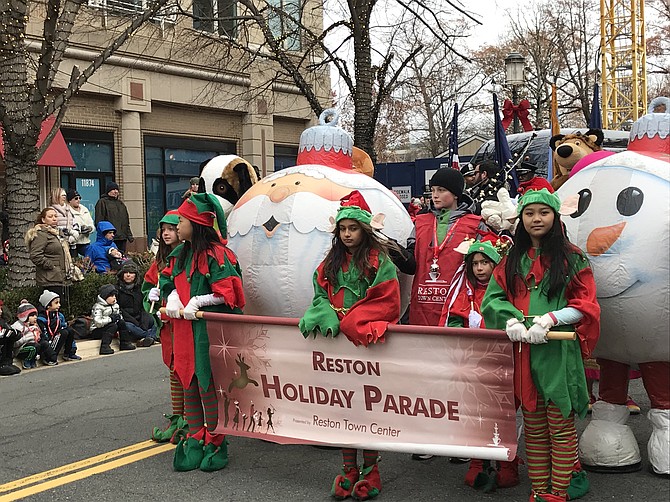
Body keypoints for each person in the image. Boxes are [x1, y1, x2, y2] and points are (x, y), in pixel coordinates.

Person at [481, 189, 600, 502]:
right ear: (521, 218)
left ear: (555, 216)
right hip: (524, 351)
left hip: (557, 352)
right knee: (533, 428)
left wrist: (551, 318)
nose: (536, 219)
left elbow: (585, 303)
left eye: (543, 212)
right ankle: (539, 492)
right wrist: (511, 320)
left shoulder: (572, 257)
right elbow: (492, 298)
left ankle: (557, 493)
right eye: (530, 213)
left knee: (560, 427)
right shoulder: (510, 260)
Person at [300, 190, 401, 501]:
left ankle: (371, 470)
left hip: (365, 344)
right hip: (337, 349)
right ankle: (348, 468)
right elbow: (319, 292)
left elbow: (387, 299)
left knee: (367, 408)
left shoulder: (377, 261)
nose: (347, 235)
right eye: (342, 229)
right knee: (342, 406)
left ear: (364, 230)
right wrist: (324, 310)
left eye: (353, 229)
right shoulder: (329, 262)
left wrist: (352, 319)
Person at [161, 193, 245, 472]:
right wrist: (173, 296)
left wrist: (199, 301)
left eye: (182, 220)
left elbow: (228, 292)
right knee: (189, 383)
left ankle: (216, 442)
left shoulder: (217, 255)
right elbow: (169, 280)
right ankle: (195, 439)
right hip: (184, 330)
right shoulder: (182, 254)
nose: (177, 224)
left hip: (207, 332)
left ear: (195, 224)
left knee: (208, 385)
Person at [144, 210, 188, 443]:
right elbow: (147, 288)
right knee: (172, 369)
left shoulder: (189, 256)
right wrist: (150, 296)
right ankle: (177, 417)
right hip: (167, 324)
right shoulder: (159, 262)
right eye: (163, 230)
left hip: (186, 322)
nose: (166, 234)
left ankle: (191, 419)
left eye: (171, 229)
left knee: (186, 369)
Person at [26, 208, 78, 315]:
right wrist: (51, 265)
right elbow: (35, 255)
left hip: (60, 276)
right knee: (51, 308)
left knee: (61, 306)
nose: (54, 218)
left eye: (55, 216)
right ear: (43, 220)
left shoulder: (57, 233)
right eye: (50, 216)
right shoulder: (41, 234)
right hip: (50, 278)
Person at [116, 260, 156, 346]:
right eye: (125, 272)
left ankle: (146, 337)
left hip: (141, 319)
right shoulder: (116, 290)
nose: (128, 275)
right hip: (128, 320)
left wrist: (143, 324)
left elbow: (144, 308)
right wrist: (135, 322)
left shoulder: (140, 289)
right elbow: (119, 310)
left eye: (131, 272)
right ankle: (149, 336)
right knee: (127, 326)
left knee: (156, 321)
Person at [90, 284, 138, 355]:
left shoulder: (115, 305)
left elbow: (119, 316)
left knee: (121, 323)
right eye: (112, 296)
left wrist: (118, 318)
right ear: (105, 297)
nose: (114, 298)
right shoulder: (98, 307)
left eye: (115, 296)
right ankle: (104, 346)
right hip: (97, 330)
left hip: (110, 328)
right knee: (113, 326)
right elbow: (98, 322)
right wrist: (110, 319)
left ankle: (124, 343)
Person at [37, 290, 79, 363]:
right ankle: (49, 357)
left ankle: (69, 353)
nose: (59, 305)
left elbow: (65, 328)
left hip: (57, 338)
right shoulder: (41, 319)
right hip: (48, 342)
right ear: (48, 305)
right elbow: (43, 336)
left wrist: (73, 347)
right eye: (56, 303)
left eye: (59, 302)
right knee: (63, 333)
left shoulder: (59, 316)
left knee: (69, 330)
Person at [95, 182, 133, 253]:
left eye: (117, 190)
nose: (115, 191)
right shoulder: (102, 202)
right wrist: (104, 235)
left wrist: (129, 235)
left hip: (122, 237)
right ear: (108, 191)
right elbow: (99, 221)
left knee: (121, 257)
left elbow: (125, 221)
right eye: (113, 189)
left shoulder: (121, 204)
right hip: (110, 238)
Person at [11, 300, 44, 369]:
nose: (35, 317)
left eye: (35, 315)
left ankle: (32, 360)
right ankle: (26, 360)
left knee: (38, 345)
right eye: (32, 315)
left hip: (31, 345)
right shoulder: (18, 326)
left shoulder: (34, 326)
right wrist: (26, 338)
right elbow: (13, 344)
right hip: (19, 349)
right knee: (32, 348)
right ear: (25, 316)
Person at [49, 187, 79, 257]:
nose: (64, 197)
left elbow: (75, 222)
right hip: (59, 243)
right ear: (56, 196)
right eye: (62, 195)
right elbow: (52, 226)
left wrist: (75, 234)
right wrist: (68, 233)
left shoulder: (69, 209)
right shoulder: (51, 210)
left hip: (72, 244)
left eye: (65, 195)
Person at [67, 189, 95, 257]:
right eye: (76, 198)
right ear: (70, 200)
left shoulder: (84, 209)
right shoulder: (67, 211)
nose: (78, 200)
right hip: (73, 243)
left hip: (85, 241)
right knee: (74, 262)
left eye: (80, 198)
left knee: (91, 257)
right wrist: (77, 230)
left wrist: (90, 228)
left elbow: (91, 223)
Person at [0, 299, 21, 376]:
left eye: (1, 309)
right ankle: (2, 364)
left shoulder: (2, 321)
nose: (1, 311)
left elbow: (10, 330)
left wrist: (15, 333)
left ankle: (7, 362)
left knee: (9, 337)